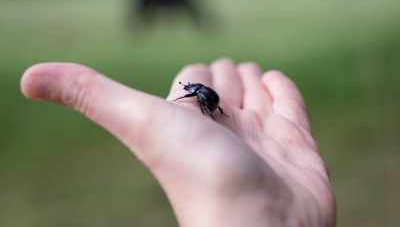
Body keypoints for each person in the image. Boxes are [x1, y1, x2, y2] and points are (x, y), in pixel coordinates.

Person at [20, 58, 336, 227]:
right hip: (215, 104)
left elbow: (197, 96)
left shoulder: (198, 93)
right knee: (204, 101)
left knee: (201, 101)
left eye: (190, 89)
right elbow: (199, 95)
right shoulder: (200, 91)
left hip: (213, 103)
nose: (189, 91)